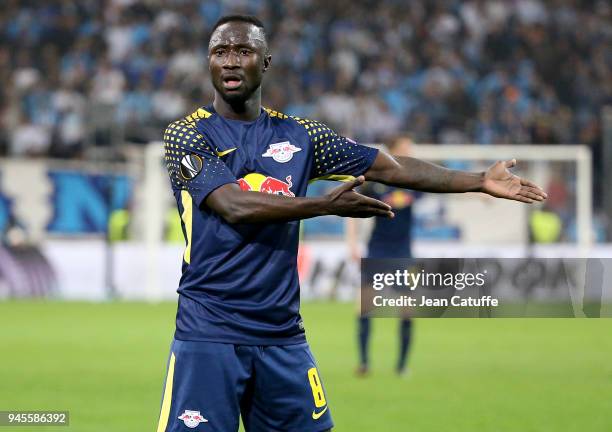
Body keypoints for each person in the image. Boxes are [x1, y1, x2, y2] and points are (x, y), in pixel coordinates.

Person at [157, 15, 546, 432]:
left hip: (283, 335)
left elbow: (390, 167)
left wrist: (478, 181)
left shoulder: (301, 135)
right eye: (220, 52)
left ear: (265, 62)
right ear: (208, 63)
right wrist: (323, 206)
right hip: (209, 332)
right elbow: (232, 204)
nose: (230, 61)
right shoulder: (187, 135)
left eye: (243, 51)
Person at [346, 135, 418, 377]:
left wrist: (479, 193)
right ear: (395, 150)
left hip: (403, 253)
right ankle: (364, 363)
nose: (410, 151)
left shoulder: (414, 179)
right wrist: (352, 243)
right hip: (377, 250)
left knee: (407, 310)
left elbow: (445, 190)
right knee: (364, 307)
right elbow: (352, 204)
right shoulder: (378, 180)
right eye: (407, 147)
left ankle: (402, 366)